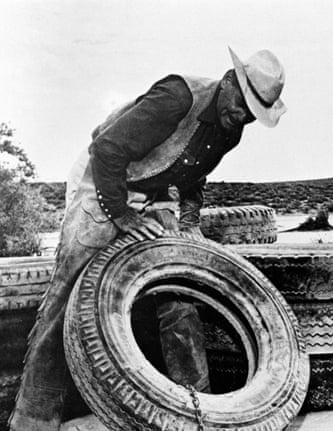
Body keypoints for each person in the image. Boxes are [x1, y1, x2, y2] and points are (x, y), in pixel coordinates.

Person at [9, 47, 287, 431]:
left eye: (253, 114)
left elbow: (194, 178)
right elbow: (106, 148)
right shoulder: (177, 97)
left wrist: (189, 225)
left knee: (179, 293)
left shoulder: (231, 128)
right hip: (105, 183)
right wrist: (121, 216)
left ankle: (193, 414)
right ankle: (32, 422)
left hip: (154, 193)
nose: (242, 117)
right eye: (243, 104)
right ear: (229, 81)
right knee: (64, 301)